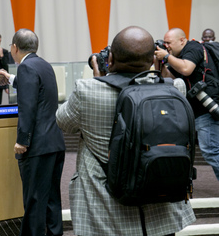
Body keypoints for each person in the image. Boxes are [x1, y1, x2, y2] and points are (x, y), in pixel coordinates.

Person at [56, 26, 195, 236]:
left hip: (107, 209)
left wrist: (97, 78)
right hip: (160, 202)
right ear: (151, 60)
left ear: (110, 58)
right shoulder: (175, 88)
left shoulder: (87, 90)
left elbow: (63, 122)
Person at [0, 29, 66, 236]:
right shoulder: (44, 65)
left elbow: (27, 107)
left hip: (36, 146)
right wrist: (10, 78)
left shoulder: (26, 68)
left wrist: (22, 141)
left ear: (15, 48)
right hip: (54, 142)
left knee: (34, 200)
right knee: (52, 198)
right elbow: (36, 90)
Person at [156, 28, 219, 181]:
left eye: (169, 43)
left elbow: (186, 69)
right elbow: (166, 79)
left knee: (212, 151)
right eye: (164, 43)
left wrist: (167, 56)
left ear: (182, 40)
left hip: (208, 110)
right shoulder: (177, 57)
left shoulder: (193, 48)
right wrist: (161, 62)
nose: (166, 46)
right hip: (200, 111)